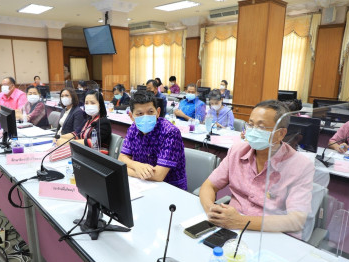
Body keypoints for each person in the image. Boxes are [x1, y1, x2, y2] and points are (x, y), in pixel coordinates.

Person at [199, 100, 314, 238]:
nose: (253, 131)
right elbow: (208, 186)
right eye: (251, 125)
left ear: (281, 134)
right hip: (229, 230)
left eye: (261, 127)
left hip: (270, 235)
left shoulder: (300, 166)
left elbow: (297, 220)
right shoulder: (237, 151)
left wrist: (240, 222)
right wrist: (211, 210)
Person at [118, 91, 187, 190]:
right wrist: (136, 165)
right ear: (131, 116)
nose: (145, 117)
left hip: (171, 188)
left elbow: (158, 176)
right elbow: (121, 158)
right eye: (140, 114)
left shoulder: (170, 133)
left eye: (150, 112)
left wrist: (131, 169)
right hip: (143, 185)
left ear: (158, 112)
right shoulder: (133, 128)